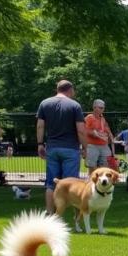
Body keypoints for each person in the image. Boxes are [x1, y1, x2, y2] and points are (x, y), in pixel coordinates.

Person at [36, 79, 86, 214]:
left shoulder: (44, 103)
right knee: (72, 184)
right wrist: (85, 148)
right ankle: (77, 216)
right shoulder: (75, 106)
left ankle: (49, 212)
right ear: (70, 90)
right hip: (70, 148)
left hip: (52, 148)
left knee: (51, 183)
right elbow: (81, 130)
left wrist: (40, 144)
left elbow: (40, 126)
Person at [84, 99, 114, 171]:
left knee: (106, 165)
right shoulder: (89, 118)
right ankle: (93, 181)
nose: (102, 110)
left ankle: (102, 181)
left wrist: (110, 135)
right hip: (92, 145)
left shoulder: (102, 119)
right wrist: (94, 133)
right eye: (100, 108)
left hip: (104, 145)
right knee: (92, 166)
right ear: (94, 107)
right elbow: (84, 130)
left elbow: (107, 129)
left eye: (103, 108)